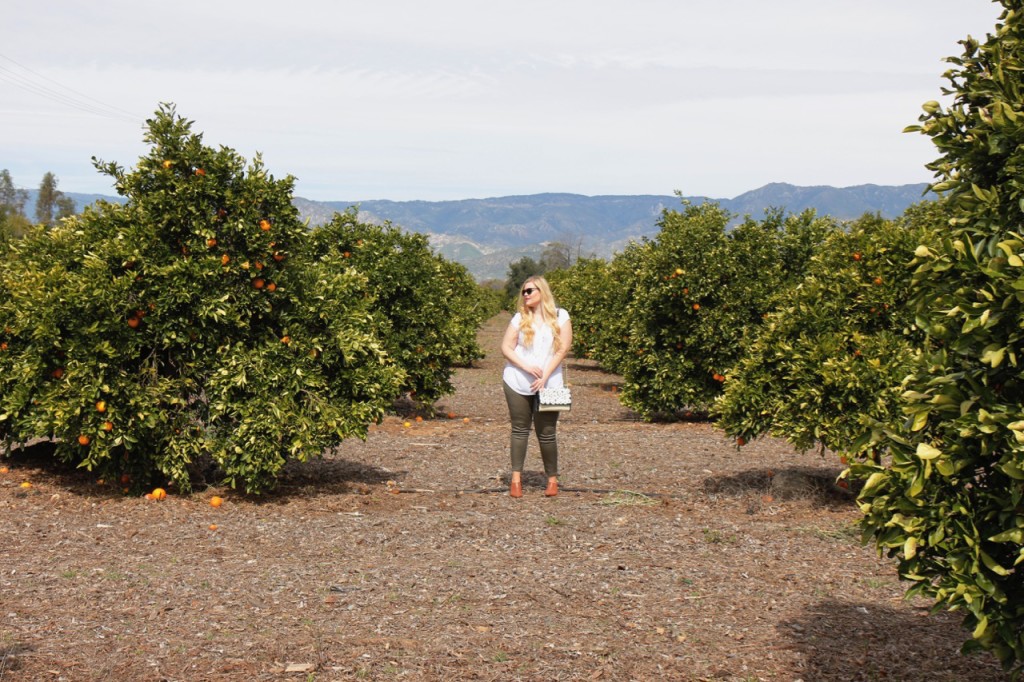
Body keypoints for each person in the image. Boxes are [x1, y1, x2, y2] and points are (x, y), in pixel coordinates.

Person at [500, 275, 573, 498]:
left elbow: (563, 350)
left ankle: (552, 480)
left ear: (542, 291)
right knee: (519, 429)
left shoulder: (561, 316)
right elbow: (506, 347)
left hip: (550, 382)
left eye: (530, 291)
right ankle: (516, 481)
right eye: (523, 291)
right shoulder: (519, 318)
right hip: (517, 380)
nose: (526, 295)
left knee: (547, 432)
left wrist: (545, 375)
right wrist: (526, 367)